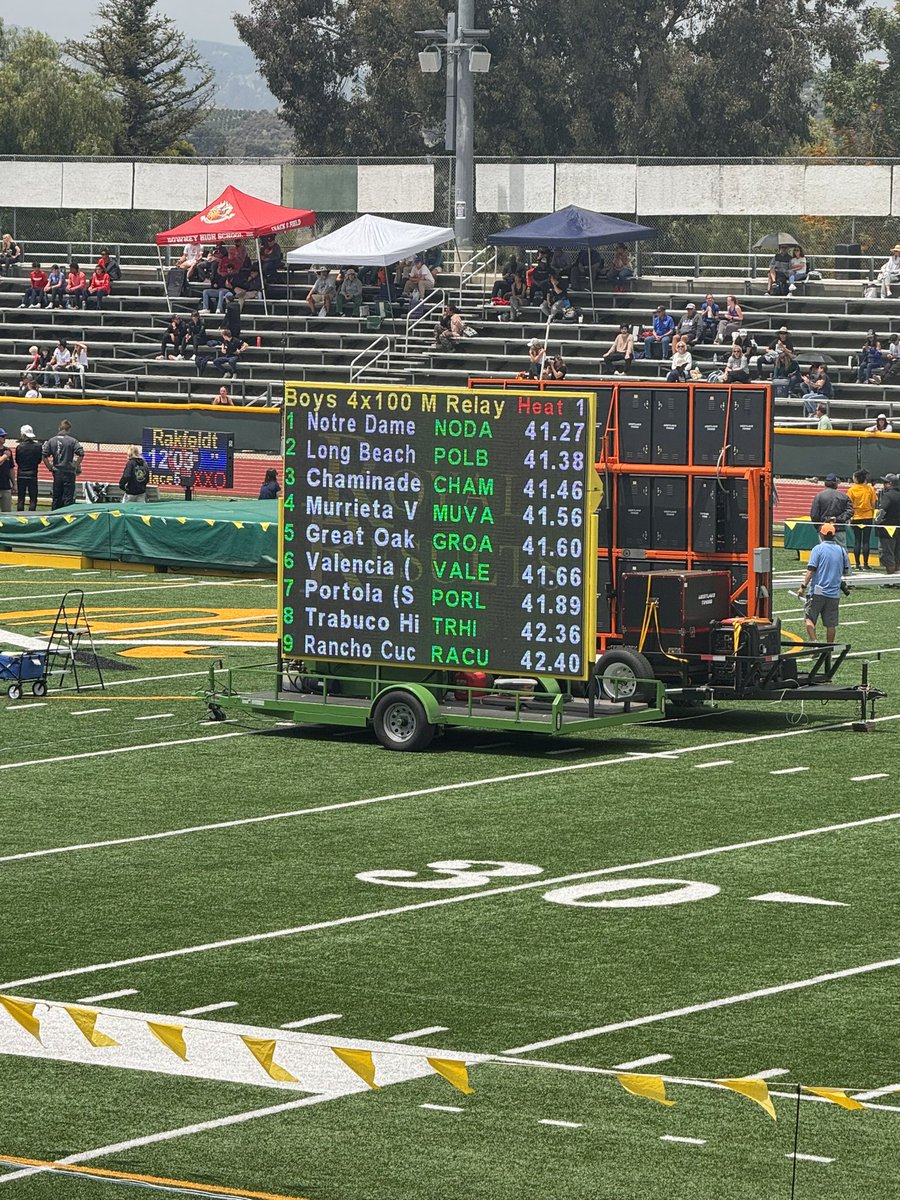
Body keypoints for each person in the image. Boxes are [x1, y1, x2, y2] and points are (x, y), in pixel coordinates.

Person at [797, 522, 850, 643]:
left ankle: (814, 643)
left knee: (809, 618)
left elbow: (811, 570)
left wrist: (802, 587)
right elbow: (846, 570)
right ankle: (829, 649)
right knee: (831, 624)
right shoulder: (841, 550)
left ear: (822, 534)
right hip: (834, 593)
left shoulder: (818, 549)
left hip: (817, 592)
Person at [42, 418, 84, 510]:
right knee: (68, 498)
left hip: (57, 472)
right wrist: (75, 465)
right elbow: (81, 453)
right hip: (69, 472)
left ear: (59, 428)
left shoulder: (51, 441)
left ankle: (55, 516)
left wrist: (49, 467)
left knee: (57, 497)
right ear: (69, 429)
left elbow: (44, 455)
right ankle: (67, 517)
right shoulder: (72, 441)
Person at [847, 468, 877, 570]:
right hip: (868, 516)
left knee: (857, 541)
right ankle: (865, 563)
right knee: (866, 541)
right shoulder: (870, 489)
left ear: (856, 479)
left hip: (856, 517)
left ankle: (857, 564)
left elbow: (849, 504)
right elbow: (873, 503)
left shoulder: (851, 490)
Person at [810, 473, 852, 545]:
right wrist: (838, 519)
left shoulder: (819, 496)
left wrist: (819, 527)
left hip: (824, 529)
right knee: (841, 550)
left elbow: (814, 514)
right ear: (836, 484)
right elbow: (850, 511)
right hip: (839, 528)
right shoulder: (844, 496)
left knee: (824, 550)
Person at [876, 473, 900, 582]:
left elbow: (882, 511)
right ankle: (897, 579)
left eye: (885, 482)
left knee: (887, 553)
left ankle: (890, 581)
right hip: (898, 528)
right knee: (897, 553)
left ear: (890, 484)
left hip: (887, 529)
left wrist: (876, 522)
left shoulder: (888, 496)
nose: (883, 485)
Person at [14, 424, 42, 512]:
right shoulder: (38, 447)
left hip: (21, 474)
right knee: (33, 498)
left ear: (23, 434)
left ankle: (19, 516)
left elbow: (17, 460)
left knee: (21, 498)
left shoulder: (19, 447)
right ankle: (32, 516)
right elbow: (39, 460)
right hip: (33, 474)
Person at [0, 431, 13, 512]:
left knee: (7, 512)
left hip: (5, 486)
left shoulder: (7, 450)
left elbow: (11, 468)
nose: (5, 438)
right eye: (3, 436)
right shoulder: (6, 454)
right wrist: (5, 456)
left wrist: (14, 484)